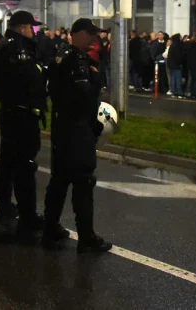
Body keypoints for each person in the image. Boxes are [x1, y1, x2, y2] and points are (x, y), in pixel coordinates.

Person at [43, 18, 112, 253]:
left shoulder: (65, 57)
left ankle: (50, 227)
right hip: (76, 129)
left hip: (65, 129)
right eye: (90, 34)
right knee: (82, 181)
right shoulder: (75, 62)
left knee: (60, 180)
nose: (94, 39)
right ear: (78, 34)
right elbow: (82, 97)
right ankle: (86, 238)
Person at [0, 11, 48, 241]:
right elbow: (29, 78)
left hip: (12, 112)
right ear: (22, 27)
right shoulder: (17, 48)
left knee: (8, 162)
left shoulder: (5, 45)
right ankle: (27, 216)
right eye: (31, 27)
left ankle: (4, 207)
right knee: (24, 165)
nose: (34, 31)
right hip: (20, 114)